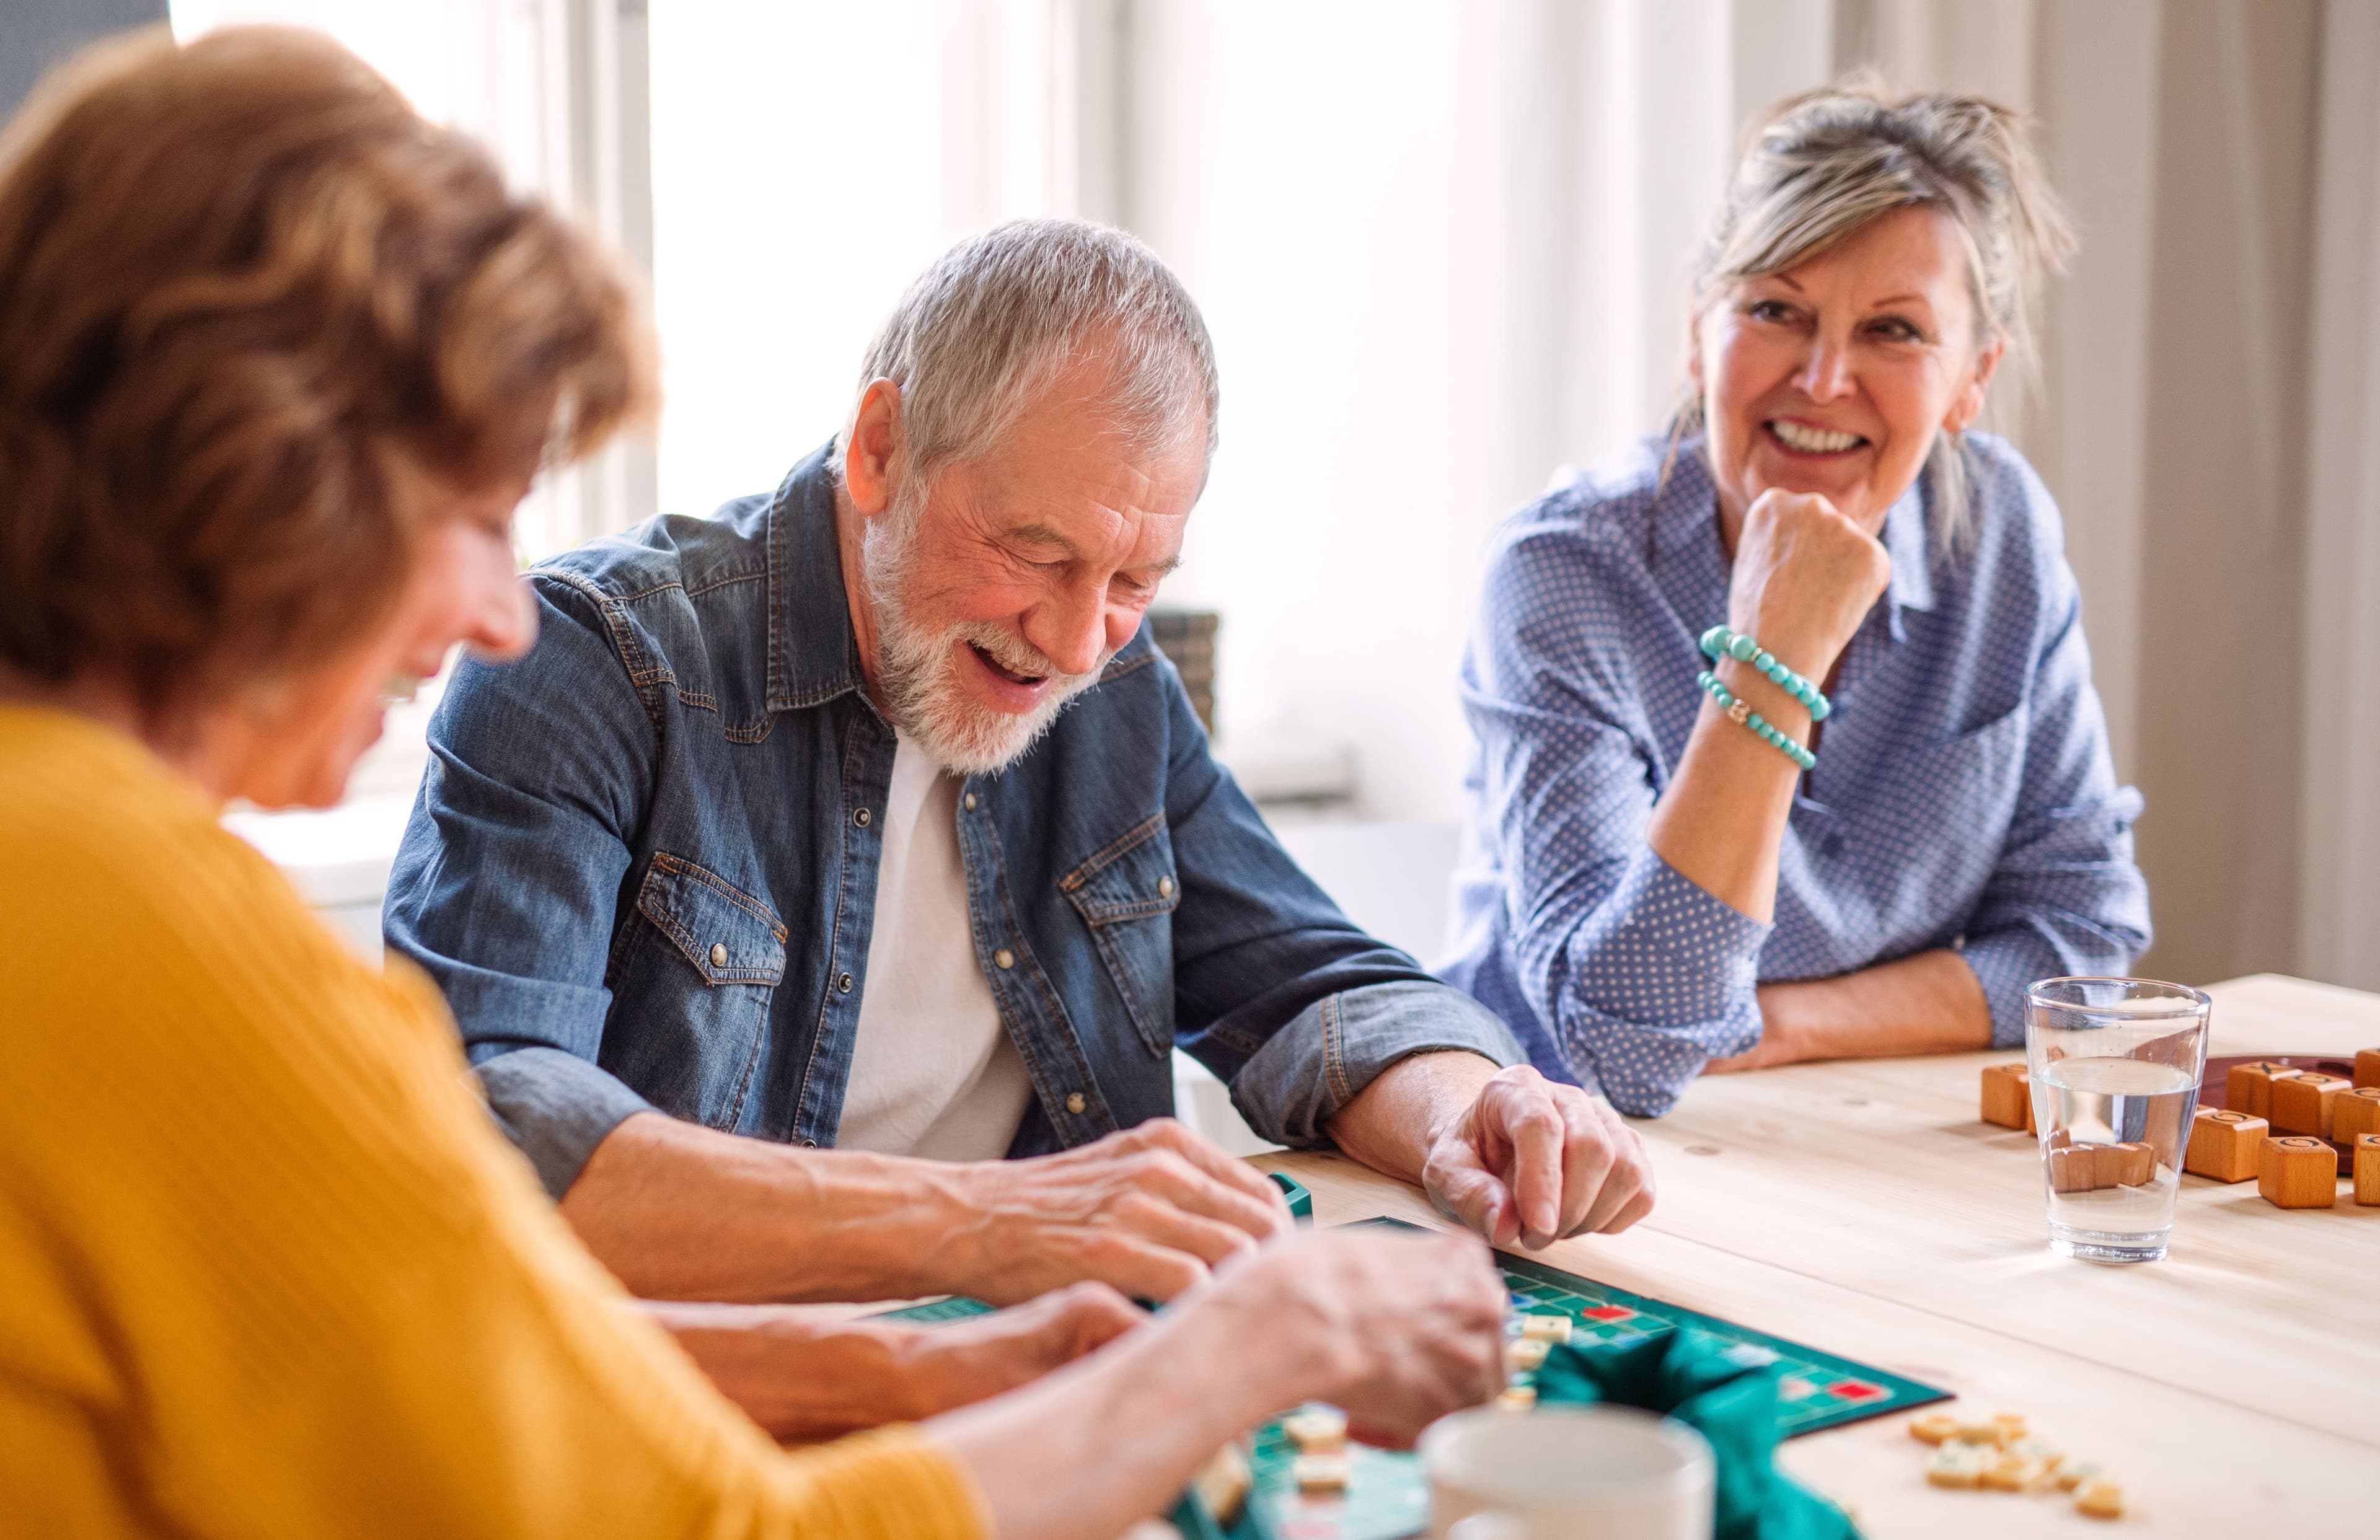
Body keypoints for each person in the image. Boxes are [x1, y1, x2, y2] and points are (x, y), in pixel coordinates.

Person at [0, 29, 1512, 1539]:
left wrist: (946, 1370)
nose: (495, 608)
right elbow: (707, 1509)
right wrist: (1240, 1345)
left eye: (1129, 577)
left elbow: (464, 1353)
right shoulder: (144, 911)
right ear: (255, 476)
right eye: (468, 513)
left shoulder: (67, 844)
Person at [382, 217, 1657, 1308]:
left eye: (1135, 580)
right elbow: (498, 1125)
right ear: (879, 447)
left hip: (1036, 1349)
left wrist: (1469, 1111)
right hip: (709, 1387)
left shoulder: (1115, 686)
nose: (1075, 639)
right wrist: (996, 1225)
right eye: (1038, 555)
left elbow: (1305, 981)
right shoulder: (588, 660)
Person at [1442, 83, 2151, 1116]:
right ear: (1699, 334)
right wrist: (1773, 656)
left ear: (1972, 380)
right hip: (1544, 1156)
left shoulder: (1998, 534)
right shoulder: (1562, 573)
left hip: (1832, 1125)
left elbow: (2082, 945)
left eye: (1895, 331)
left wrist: (1789, 1022)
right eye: (1776, 310)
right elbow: (1626, 1051)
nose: (1823, 380)